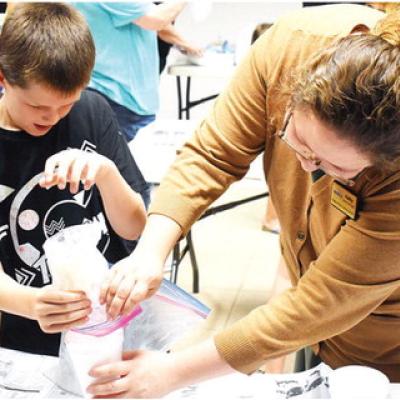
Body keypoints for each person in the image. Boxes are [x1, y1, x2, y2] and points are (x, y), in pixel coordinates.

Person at [88, 3, 400, 398]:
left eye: (334, 167)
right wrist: (150, 252)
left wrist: (171, 372)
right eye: (298, 141)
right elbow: (212, 154)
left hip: (383, 346)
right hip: (314, 326)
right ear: (296, 91)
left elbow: (322, 302)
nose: (305, 167)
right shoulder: (290, 48)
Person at [0, 3, 147, 357]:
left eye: (65, 104)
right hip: (19, 332)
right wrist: (31, 303)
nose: (52, 117)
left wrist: (105, 173)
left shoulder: (91, 112)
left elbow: (134, 227)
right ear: (3, 79)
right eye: (38, 107)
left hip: (103, 326)